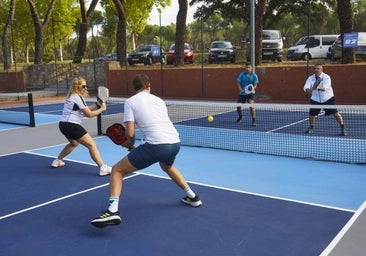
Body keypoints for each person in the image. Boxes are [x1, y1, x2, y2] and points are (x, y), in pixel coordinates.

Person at [91, 74, 202, 228]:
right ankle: (193, 196)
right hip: (175, 142)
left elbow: (130, 133)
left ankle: (112, 211)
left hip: (156, 146)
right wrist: (131, 145)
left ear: (134, 88)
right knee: (167, 166)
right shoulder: (159, 101)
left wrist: (128, 143)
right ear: (149, 86)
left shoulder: (130, 102)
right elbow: (154, 122)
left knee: (117, 170)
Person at [51, 77, 112, 176]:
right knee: (92, 145)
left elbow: (84, 109)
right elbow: (89, 114)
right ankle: (103, 168)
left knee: (74, 144)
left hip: (63, 125)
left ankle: (58, 160)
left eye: (86, 86)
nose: (85, 88)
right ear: (77, 87)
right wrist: (102, 109)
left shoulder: (73, 96)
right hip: (72, 125)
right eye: (83, 86)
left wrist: (97, 104)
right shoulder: (77, 97)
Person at [303, 63, 347, 136]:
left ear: (321, 69)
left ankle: (342, 128)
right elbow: (306, 87)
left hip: (328, 98)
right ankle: (311, 127)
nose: (316, 70)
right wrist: (308, 90)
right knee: (311, 115)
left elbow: (325, 87)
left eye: (318, 69)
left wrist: (316, 87)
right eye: (315, 69)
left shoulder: (326, 77)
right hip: (315, 99)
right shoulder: (310, 78)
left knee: (336, 114)